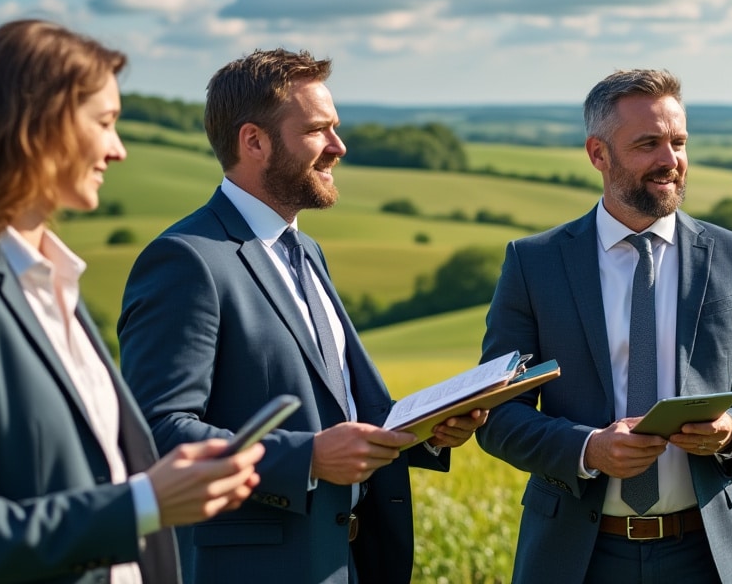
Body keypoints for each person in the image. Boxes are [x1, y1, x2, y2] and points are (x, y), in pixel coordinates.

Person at [116, 48, 484, 584]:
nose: (339, 146)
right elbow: (155, 433)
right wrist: (305, 459)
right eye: (318, 131)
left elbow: (343, 405)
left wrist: (423, 431)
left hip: (352, 559)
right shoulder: (186, 259)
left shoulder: (305, 250)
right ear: (255, 141)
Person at [477, 69, 732, 584]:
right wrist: (588, 448)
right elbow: (499, 415)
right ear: (598, 154)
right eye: (648, 143)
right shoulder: (534, 263)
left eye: (678, 142)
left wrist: (730, 433)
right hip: (576, 556)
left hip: (706, 554)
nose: (670, 160)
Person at [0, 19, 263, 583]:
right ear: (39, 123)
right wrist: (143, 504)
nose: (118, 150)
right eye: (106, 122)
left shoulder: (54, 283)